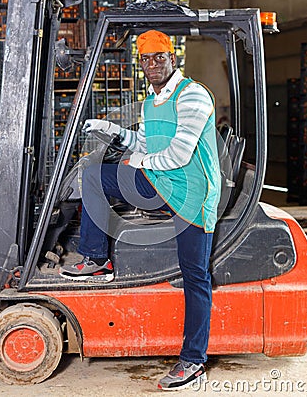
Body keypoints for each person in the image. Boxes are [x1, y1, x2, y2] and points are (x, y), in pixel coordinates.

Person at [60, 30, 221, 391]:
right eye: (146, 60)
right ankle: (96, 257)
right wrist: (114, 132)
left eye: (158, 58)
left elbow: (178, 154)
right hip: (163, 183)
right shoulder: (151, 100)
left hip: (194, 192)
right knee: (95, 176)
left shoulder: (192, 95)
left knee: (195, 276)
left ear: (172, 58)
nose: (152, 65)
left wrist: (139, 159)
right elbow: (146, 142)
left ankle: (193, 360)